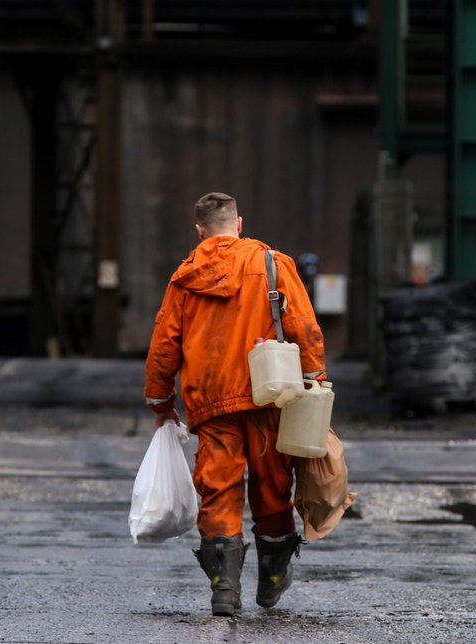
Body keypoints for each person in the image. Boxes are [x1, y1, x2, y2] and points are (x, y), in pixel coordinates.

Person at [144, 192, 328, 617]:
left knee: (219, 489)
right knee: (272, 488)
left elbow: (164, 343)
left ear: (199, 231)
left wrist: (160, 401)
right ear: (239, 224)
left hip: (210, 401)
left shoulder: (185, 278)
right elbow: (303, 325)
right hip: (270, 393)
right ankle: (274, 577)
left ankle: (224, 587)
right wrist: (315, 378)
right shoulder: (272, 265)